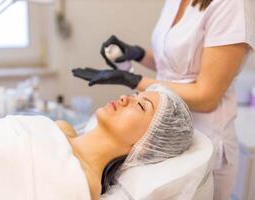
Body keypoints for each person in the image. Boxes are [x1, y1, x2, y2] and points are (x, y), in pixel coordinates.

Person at [72, 0, 255, 199]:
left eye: (140, 102)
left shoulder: (232, 5)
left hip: (205, 136)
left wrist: (132, 80)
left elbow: (207, 96)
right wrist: (138, 54)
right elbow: (172, 68)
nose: (124, 99)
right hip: (157, 135)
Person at [0, 84, 193, 200]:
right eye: (134, 95)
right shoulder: (62, 128)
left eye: (140, 105)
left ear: (146, 144)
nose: (124, 97)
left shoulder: (79, 186)